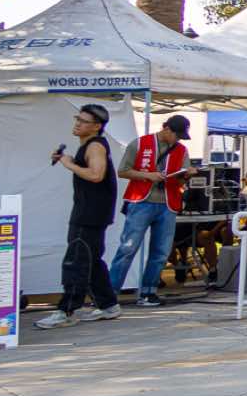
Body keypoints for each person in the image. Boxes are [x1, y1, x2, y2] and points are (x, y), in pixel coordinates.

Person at [34, 104, 123, 329]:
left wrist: (68, 164)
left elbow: (96, 175)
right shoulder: (90, 145)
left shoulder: (95, 146)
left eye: (83, 121)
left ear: (96, 126)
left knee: (76, 260)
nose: (77, 124)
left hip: (89, 213)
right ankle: (108, 305)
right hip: (92, 211)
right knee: (91, 260)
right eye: (77, 119)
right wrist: (72, 161)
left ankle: (67, 311)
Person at [109, 114, 193, 307]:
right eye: (177, 135)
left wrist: (187, 174)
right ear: (167, 129)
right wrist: (147, 176)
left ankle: (149, 291)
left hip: (168, 203)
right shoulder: (140, 143)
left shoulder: (181, 150)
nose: (178, 140)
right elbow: (122, 171)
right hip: (141, 201)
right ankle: (110, 292)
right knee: (128, 248)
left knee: (161, 251)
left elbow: (181, 178)